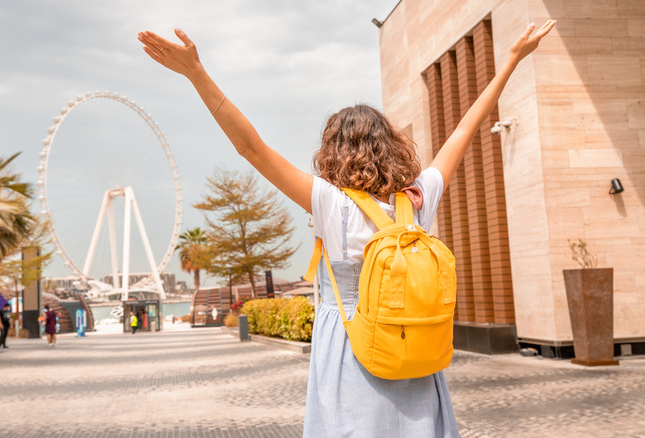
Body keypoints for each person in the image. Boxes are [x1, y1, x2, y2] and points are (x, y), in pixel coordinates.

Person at [138, 19, 554, 437]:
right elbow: (464, 129)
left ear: (332, 152)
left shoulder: (330, 204)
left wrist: (196, 73)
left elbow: (250, 147)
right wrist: (512, 60)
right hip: (414, 346)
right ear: (392, 147)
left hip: (352, 346)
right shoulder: (417, 199)